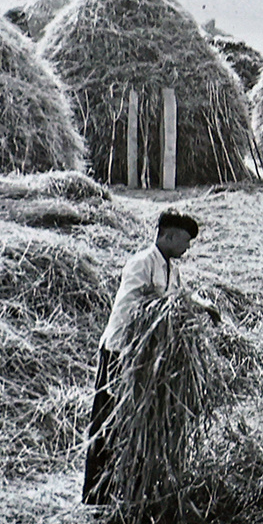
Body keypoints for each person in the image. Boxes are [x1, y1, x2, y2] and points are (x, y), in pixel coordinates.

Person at [83, 208, 211, 504]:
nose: (188, 247)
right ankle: (95, 496)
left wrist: (204, 306)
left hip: (145, 357)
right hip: (120, 352)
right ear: (168, 236)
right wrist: (165, 307)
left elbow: (180, 296)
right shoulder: (141, 264)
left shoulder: (171, 267)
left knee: (133, 424)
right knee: (107, 422)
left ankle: (126, 489)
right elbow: (133, 309)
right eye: (185, 240)